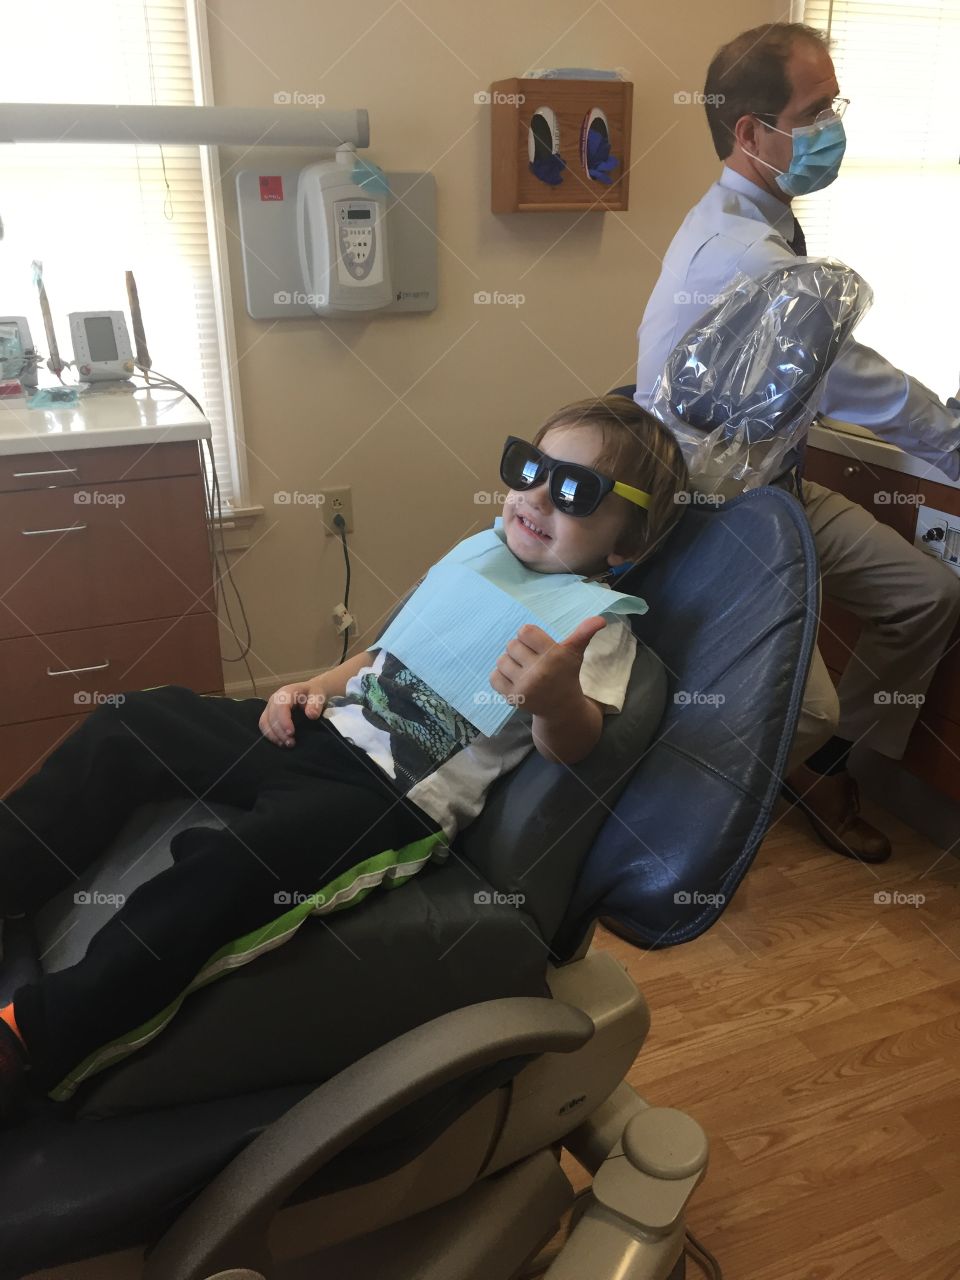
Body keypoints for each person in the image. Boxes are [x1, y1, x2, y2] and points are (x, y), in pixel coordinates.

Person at [0, 396, 688, 1118]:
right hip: (322, 730)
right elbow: (382, 655)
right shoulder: (479, 558)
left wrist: (555, 702)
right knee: (138, 720)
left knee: (233, 866)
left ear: (626, 543)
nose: (538, 496)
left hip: (385, 798)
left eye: (576, 490)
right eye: (530, 468)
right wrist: (308, 687)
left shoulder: (593, 630)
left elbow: (575, 748)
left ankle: (37, 1037)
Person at [635, 21, 960, 863]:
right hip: (711, 513)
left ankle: (823, 769)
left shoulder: (752, 219)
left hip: (774, 483)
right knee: (804, 707)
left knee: (926, 596)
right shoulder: (747, 257)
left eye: (835, 106)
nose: (834, 127)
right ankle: (702, 803)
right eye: (817, 112)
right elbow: (866, 386)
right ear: (752, 132)